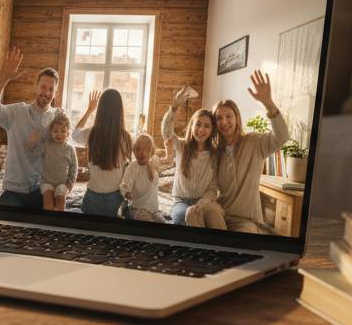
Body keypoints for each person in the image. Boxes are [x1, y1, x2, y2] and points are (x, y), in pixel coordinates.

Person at [0, 46, 59, 208]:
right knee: (2, 227)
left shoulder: (58, 119)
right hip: (14, 191)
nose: (46, 92)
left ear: (55, 93)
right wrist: (4, 77)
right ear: (36, 87)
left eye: (51, 89)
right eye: (43, 87)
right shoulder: (16, 112)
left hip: (44, 191)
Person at [212, 71, 290, 233]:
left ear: (237, 119)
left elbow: (282, 137)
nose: (224, 122)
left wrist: (269, 104)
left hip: (247, 221)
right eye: (219, 118)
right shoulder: (213, 150)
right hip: (218, 215)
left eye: (229, 116)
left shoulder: (254, 142)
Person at [161, 87, 224, 228]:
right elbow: (166, 131)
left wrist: (199, 206)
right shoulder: (182, 146)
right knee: (181, 220)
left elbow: (212, 189)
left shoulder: (214, 155)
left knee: (211, 219)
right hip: (181, 201)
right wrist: (175, 106)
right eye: (198, 124)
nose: (201, 130)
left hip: (204, 201)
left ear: (211, 130)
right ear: (192, 126)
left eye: (207, 126)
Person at [69, 89, 133, 218]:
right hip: (115, 200)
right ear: (120, 110)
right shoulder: (125, 137)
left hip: (92, 199)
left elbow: (75, 134)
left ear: (101, 110)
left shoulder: (92, 133)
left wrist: (90, 109)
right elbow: (132, 167)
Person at [28, 110, 77, 211]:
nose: (59, 134)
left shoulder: (70, 149)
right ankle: (47, 225)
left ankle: (57, 224)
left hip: (62, 183)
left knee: (61, 201)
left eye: (63, 131)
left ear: (68, 134)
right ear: (50, 132)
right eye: (55, 131)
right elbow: (33, 153)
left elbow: (74, 167)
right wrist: (32, 142)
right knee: (48, 204)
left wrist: (71, 181)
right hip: (47, 182)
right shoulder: (46, 145)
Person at [120, 134, 172, 222]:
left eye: (145, 150)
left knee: (163, 225)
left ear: (151, 152)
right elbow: (125, 183)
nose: (141, 153)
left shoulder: (153, 163)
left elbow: (168, 161)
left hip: (154, 210)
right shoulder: (133, 166)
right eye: (138, 149)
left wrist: (169, 147)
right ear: (134, 151)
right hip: (138, 208)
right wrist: (126, 192)